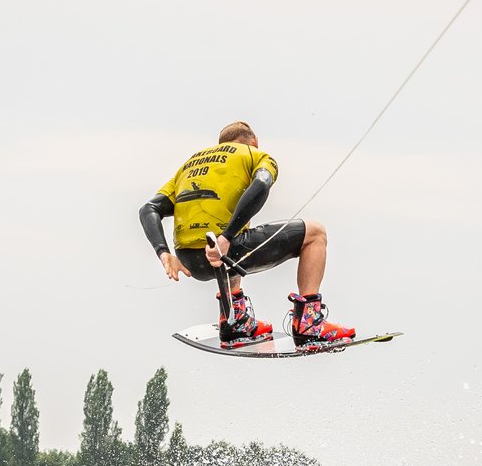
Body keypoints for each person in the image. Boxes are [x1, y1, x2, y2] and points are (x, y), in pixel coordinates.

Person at [137, 122, 356, 349]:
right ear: (254, 141)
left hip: (189, 260)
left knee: (234, 231)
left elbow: (148, 209)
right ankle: (309, 324)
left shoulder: (189, 165)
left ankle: (235, 319)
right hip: (225, 252)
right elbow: (262, 183)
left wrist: (164, 253)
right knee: (316, 233)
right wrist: (227, 237)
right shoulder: (254, 155)